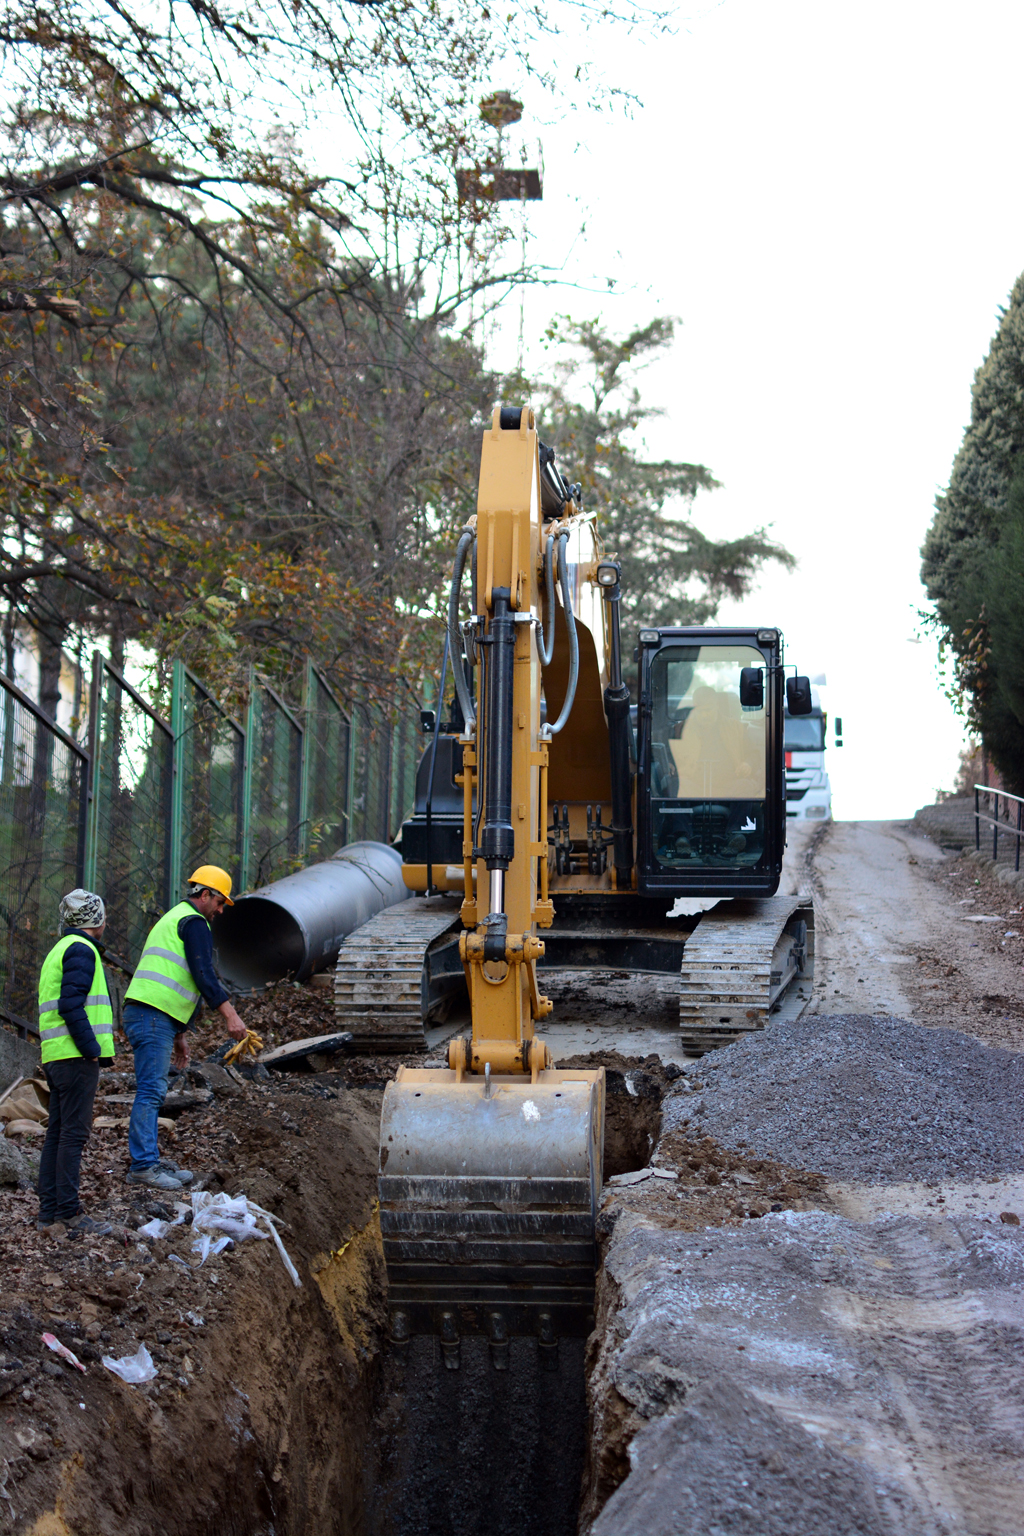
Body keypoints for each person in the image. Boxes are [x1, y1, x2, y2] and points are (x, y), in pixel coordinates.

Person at [122, 865, 248, 1191]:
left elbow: (173, 979)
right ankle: (143, 1167)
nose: (221, 910)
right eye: (220, 902)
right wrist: (231, 1015)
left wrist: (179, 1036)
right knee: (151, 1092)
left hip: (152, 1015)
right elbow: (203, 974)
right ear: (204, 895)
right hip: (150, 1016)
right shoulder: (194, 923)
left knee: (153, 1090)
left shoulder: (176, 917)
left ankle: (148, 1159)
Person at [36, 889, 115, 1236]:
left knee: (57, 1133)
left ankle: (49, 1211)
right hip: (75, 1056)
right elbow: (71, 1005)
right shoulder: (81, 951)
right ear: (95, 919)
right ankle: (68, 1212)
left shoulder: (59, 949)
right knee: (72, 1135)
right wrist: (91, 1048)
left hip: (56, 1055)